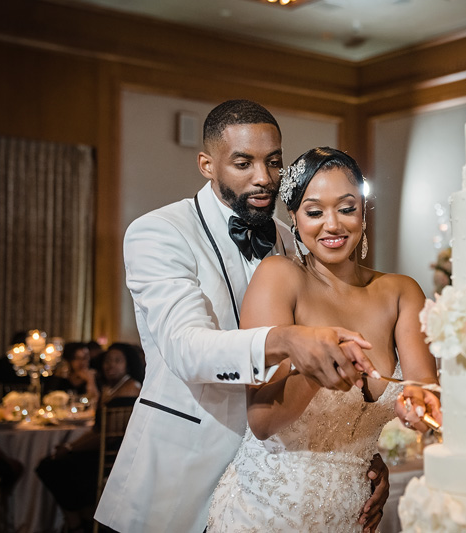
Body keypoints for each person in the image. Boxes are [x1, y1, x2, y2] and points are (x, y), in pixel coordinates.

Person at [95, 100, 387, 533]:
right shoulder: (158, 231)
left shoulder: (292, 240)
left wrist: (360, 457)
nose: (263, 177)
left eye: (273, 162)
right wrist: (285, 339)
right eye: (243, 162)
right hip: (182, 475)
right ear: (206, 164)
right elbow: (185, 348)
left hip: (271, 487)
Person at [207, 147, 441, 532]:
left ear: (363, 213)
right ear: (295, 221)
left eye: (346, 208)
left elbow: (419, 389)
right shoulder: (279, 277)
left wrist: (419, 407)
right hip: (265, 511)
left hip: (353, 515)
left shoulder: (401, 292)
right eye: (315, 212)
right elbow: (263, 421)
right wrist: (320, 370)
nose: (332, 225)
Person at [37, 347, 144, 533]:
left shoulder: (130, 389)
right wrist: (70, 447)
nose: (110, 365)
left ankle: (77, 523)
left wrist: (70, 447)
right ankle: (81, 520)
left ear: (128, 364)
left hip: (114, 459)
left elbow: (104, 435)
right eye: (107, 361)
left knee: (51, 467)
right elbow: (97, 430)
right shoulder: (111, 388)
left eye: (117, 360)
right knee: (52, 464)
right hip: (102, 451)